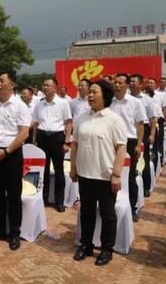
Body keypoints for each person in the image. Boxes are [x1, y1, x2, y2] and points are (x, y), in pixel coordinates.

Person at [70, 80, 127, 266]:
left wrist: (116, 174)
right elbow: (75, 144)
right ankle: (86, 245)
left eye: (95, 92)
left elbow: (121, 148)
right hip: (85, 174)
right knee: (86, 212)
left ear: (105, 96)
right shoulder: (81, 118)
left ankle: (106, 249)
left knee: (108, 214)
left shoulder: (114, 119)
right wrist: (73, 167)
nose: (90, 96)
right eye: (90, 93)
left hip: (105, 176)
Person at [0, 71, 30, 251]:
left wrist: (7, 151)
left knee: (14, 196)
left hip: (12, 154)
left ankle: (15, 232)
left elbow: (24, 133)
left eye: (2, 81)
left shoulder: (20, 106)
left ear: (12, 84)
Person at [31, 78, 72, 212]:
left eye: (48, 85)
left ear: (55, 88)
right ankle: (44, 198)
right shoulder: (39, 104)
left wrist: (67, 141)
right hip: (42, 137)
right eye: (44, 85)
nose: (45, 87)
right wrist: (34, 141)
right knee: (44, 170)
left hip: (57, 137)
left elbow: (68, 123)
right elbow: (36, 124)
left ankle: (59, 201)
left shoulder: (63, 103)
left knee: (59, 170)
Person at [110, 74, 146, 221]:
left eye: (120, 83)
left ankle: (132, 208)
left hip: (129, 141)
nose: (117, 85)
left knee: (130, 176)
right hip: (111, 141)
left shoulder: (135, 102)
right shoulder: (108, 101)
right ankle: (112, 204)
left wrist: (139, 144)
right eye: (115, 82)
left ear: (126, 86)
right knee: (111, 174)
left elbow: (140, 124)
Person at [130, 75, 157, 197]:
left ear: (141, 84)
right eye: (130, 82)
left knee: (143, 158)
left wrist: (151, 134)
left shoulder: (147, 100)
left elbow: (153, 118)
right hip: (130, 130)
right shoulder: (126, 99)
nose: (131, 84)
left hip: (144, 129)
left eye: (134, 82)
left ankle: (146, 186)